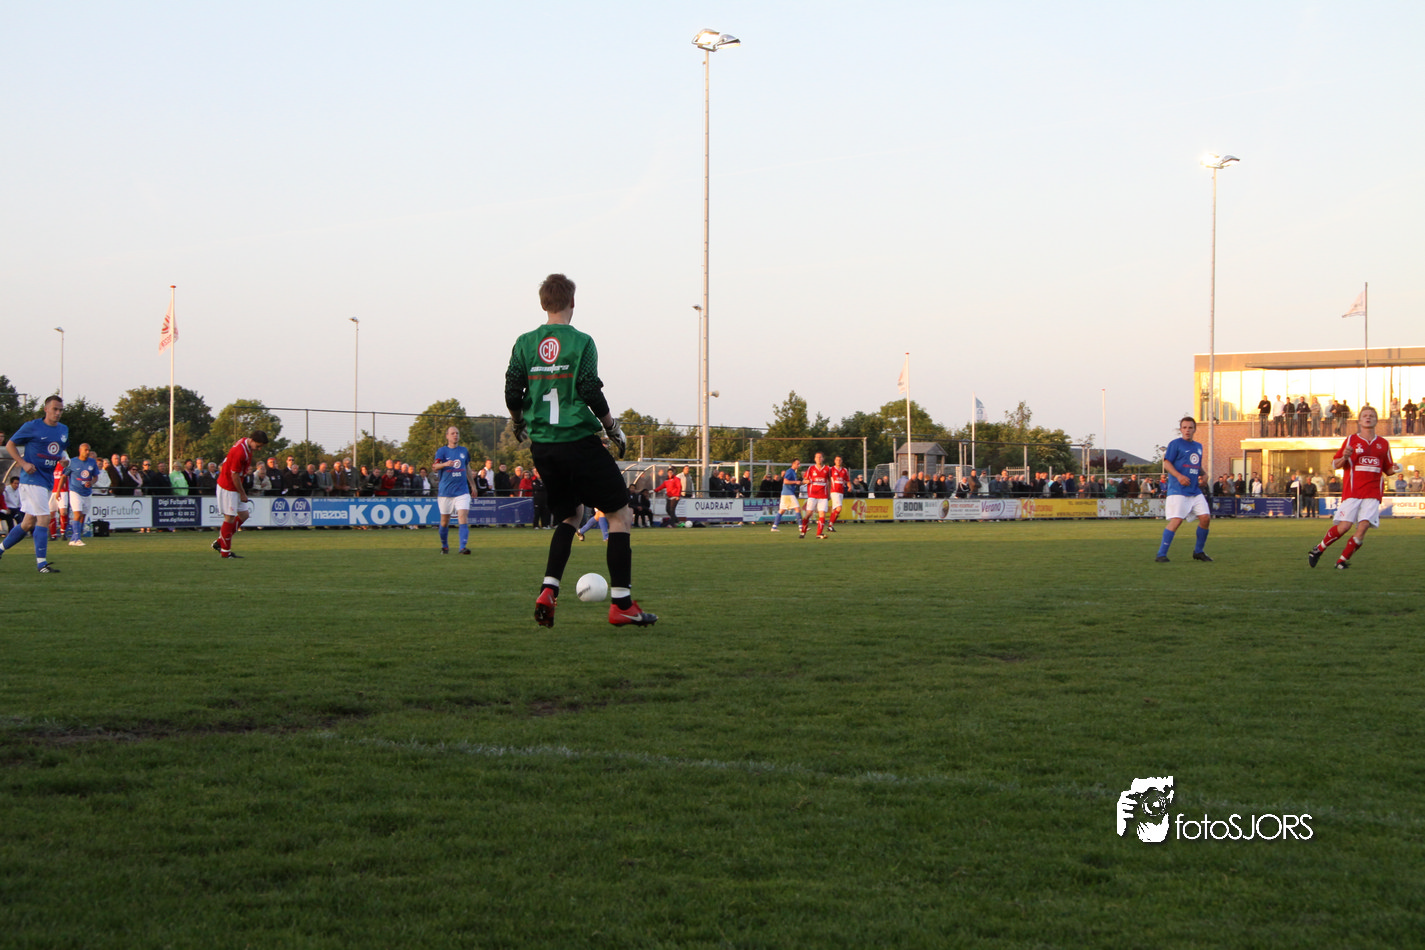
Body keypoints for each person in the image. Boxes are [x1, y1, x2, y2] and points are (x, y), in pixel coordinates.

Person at [505, 273, 654, 627]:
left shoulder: (524, 343)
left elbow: (512, 390)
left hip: (544, 448)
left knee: (571, 516)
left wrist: (518, 421)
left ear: (543, 303)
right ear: (572, 302)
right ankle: (622, 605)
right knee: (620, 514)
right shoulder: (582, 342)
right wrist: (612, 427)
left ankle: (549, 589)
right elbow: (588, 387)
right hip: (578, 441)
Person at [1307, 405, 1398, 570]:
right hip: (1353, 492)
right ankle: (1318, 549)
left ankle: (1341, 561)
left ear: (1376, 420)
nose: (1368, 417)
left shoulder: (1383, 443)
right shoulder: (1351, 440)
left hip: (1372, 493)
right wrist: (1345, 457)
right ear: (1360, 421)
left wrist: (1396, 468)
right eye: (1365, 415)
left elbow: (1388, 469)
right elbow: (1335, 464)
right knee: (1344, 526)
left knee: (1363, 528)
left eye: (1371, 415)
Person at [0, 395, 67, 573]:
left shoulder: (63, 429)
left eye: (60, 410)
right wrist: (23, 464)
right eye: (55, 409)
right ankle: (41, 564)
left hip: (46, 480)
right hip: (32, 479)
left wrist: (64, 459)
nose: (58, 413)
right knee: (44, 518)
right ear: (46, 409)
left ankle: (0, 549)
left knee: (28, 523)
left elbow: (60, 450)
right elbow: (10, 445)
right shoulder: (32, 426)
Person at [1154, 416, 1212, 563]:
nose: (1187, 430)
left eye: (1190, 428)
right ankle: (1161, 554)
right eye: (1184, 427)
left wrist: (1204, 474)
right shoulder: (1175, 444)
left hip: (1195, 490)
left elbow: (1195, 465)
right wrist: (1179, 476)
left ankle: (1198, 552)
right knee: (1177, 521)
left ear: (1195, 430)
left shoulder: (1198, 446)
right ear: (1180, 429)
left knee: (1205, 518)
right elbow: (1167, 463)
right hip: (1178, 490)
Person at [212, 430, 270, 559]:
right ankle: (225, 553)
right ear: (252, 440)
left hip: (235, 486)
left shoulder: (245, 442)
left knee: (244, 515)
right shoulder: (240, 452)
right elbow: (234, 475)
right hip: (228, 486)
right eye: (258, 446)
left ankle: (220, 542)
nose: (259, 449)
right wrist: (242, 493)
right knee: (229, 518)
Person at [434, 425, 477, 554]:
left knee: (463, 516)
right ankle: (445, 546)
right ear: (447, 436)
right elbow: (435, 466)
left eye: (457, 433)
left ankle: (462, 547)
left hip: (462, 491)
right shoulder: (442, 451)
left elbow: (467, 468)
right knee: (444, 521)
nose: (455, 435)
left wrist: (473, 485)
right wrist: (445, 464)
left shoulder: (464, 451)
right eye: (452, 433)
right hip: (445, 492)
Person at [64, 443, 101, 545]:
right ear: (80, 450)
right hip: (75, 491)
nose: (87, 452)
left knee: (83, 516)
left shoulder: (92, 462)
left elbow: (96, 477)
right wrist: (58, 491)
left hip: (87, 492)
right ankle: (77, 539)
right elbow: (64, 475)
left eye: (89, 450)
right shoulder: (72, 462)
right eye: (86, 450)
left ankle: (74, 538)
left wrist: (91, 482)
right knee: (77, 513)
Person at [800, 452, 832, 539]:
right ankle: (803, 531)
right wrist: (806, 481)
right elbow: (804, 480)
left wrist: (829, 493)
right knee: (808, 514)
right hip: (812, 495)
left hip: (823, 495)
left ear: (823, 459)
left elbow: (829, 481)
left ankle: (819, 534)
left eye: (820, 457)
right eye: (817, 457)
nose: (819, 459)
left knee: (822, 514)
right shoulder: (811, 468)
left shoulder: (827, 469)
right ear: (814, 459)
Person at [769, 458, 802, 532]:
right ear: (793, 464)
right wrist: (795, 482)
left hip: (785, 494)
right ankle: (801, 527)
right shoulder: (790, 471)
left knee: (781, 510)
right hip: (788, 493)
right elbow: (785, 481)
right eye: (797, 464)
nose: (799, 465)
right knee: (797, 509)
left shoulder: (793, 472)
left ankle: (774, 527)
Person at [828, 455, 851, 532]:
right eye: (837, 460)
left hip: (841, 492)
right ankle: (830, 525)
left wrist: (850, 486)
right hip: (834, 491)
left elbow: (847, 480)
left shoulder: (844, 470)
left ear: (842, 461)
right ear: (834, 461)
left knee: (834, 509)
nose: (838, 461)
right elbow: (827, 478)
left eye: (840, 460)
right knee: (839, 508)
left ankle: (830, 526)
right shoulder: (831, 469)